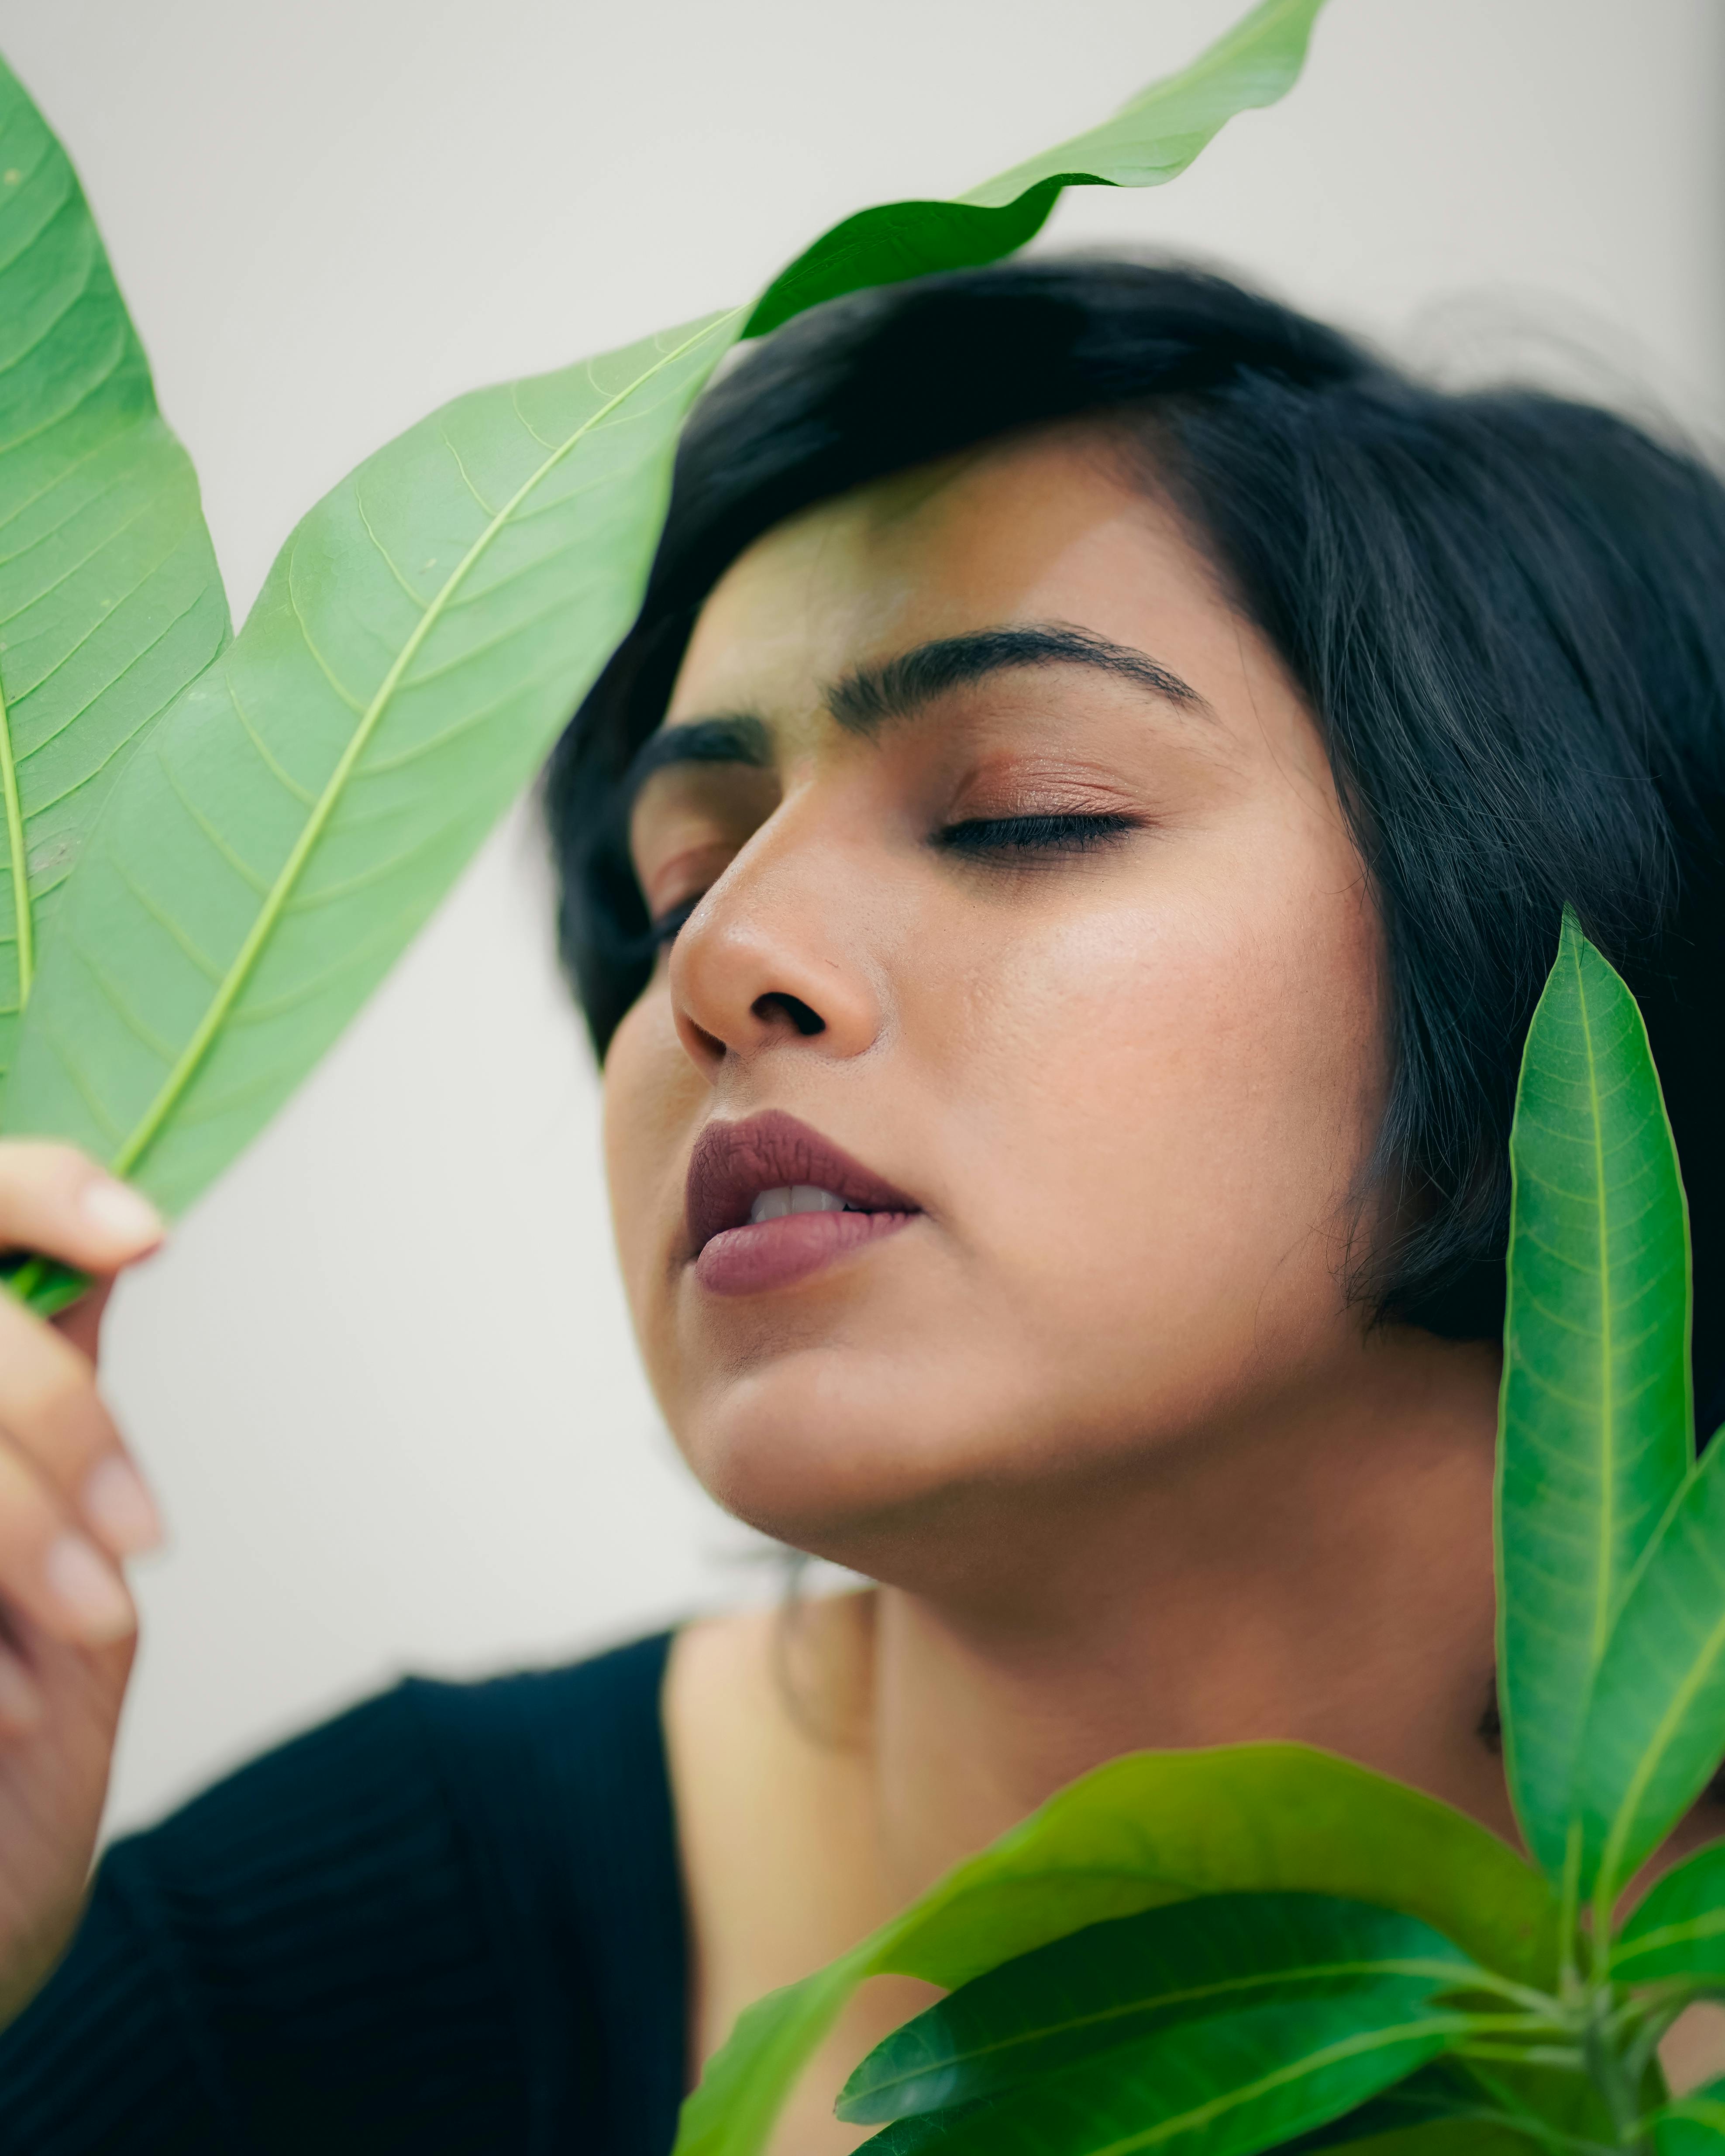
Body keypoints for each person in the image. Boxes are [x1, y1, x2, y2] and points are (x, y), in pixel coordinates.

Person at [0, 260, 1721, 2154]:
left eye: (1021, 811)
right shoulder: (277, 1995)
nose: (723, 957)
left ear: (1556, 954)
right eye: (672, 882)